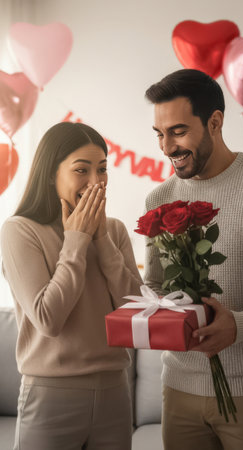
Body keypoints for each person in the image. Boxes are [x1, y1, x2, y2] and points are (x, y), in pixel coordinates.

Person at [143, 69, 243, 450]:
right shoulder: (158, 200)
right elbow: (154, 284)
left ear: (215, 122)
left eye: (178, 131)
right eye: (159, 134)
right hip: (178, 391)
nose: (166, 147)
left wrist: (242, 325)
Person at [0, 122, 142, 450]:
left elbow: (135, 313)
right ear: (51, 174)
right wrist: (76, 240)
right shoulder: (20, 231)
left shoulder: (115, 231)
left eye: (102, 169)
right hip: (51, 395)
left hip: (114, 392)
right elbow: (49, 319)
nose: (96, 182)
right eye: (82, 170)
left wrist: (102, 239)